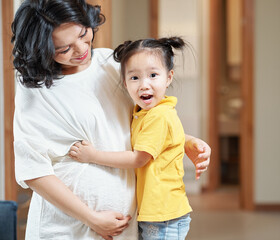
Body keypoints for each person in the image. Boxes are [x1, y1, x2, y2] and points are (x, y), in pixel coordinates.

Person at [11, 1, 211, 240]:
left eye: (84, 34)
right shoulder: (35, 89)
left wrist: (183, 141)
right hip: (65, 229)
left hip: (123, 227)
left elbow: (137, 122)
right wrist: (90, 217)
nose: (81, 49)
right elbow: (33, 169)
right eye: (64, 49)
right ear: (41, 50)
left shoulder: (112, 63)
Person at [69, 37, 195, 240]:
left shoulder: (158, 115)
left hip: (164, 216)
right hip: (158, 214)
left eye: (153, 75)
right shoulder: (142, 113)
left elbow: (138, 158)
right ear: (125, 83)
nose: (144, 85)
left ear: (169, 77)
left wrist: (92, 155)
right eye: (134, 78)